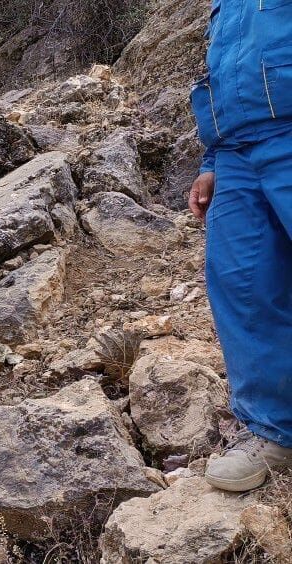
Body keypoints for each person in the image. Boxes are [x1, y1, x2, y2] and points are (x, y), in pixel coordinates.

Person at [190, 4, 292, 492]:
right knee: (242, 283)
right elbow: (222, 75)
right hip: (235, 154)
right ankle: (274, 429)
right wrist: (210, 159)